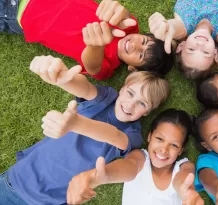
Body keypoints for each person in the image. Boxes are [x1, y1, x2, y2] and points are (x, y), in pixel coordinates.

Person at [0, 55, 169, 205]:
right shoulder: (106, 98)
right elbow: (85, 89)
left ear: (147, 112)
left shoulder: (133, 134)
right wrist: (63, 78)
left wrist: (77, 124)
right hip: (16, 182)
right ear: (122, 88)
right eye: (130, 93)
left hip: (49, 200)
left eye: (142, 103)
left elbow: (114, 135)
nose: (131, 104)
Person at [1, 0, 173, 79]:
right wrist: (116, 8)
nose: (134, 45)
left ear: (132, 68)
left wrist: (95, 46)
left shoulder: (108, 66)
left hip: (19, 13)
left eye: (140, 55)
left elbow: (92, 67)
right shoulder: (129, 26)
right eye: (143, 41)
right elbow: (124, 15)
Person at [67, 109, 204, 205]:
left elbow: (183, 182)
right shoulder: (140, 158)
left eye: (174, 145)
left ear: (181, 150)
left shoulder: (184, 167)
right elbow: (128, 166)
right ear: (149, 136)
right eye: (159, 139)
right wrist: (101, 176)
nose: (164, 149)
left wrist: (188, 193)